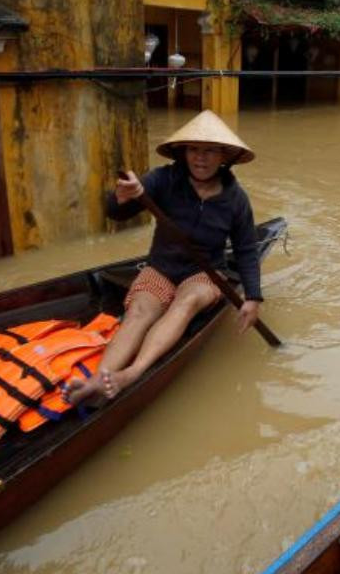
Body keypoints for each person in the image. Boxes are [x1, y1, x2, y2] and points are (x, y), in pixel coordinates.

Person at [64, 110, 263, 407]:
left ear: (224, 156)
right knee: (140, 310)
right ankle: (99, 380)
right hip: (162, 267)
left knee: (186, 303)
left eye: (210, 151)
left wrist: (253, 297)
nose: (201, 158)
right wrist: (122, 197)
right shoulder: (163, 179)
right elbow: (117, 213)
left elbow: (246, 248)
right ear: (183, 152)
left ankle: (130, 375)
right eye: (194, 149)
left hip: (205, 273)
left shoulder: (236, 199)